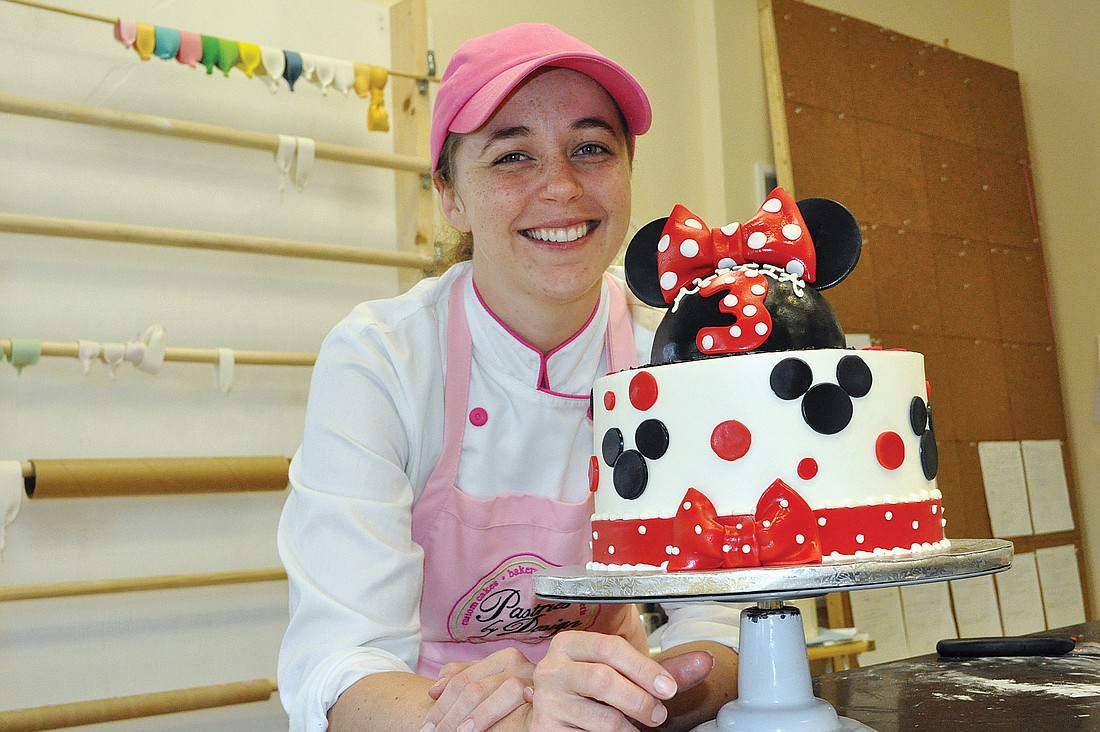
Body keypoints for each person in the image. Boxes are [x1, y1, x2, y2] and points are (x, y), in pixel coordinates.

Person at [277, 22, 741, 732]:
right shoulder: (383, 363)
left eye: (591, 148)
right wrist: (495, 721)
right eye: (512, 156)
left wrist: (631, 699)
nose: (560, 185)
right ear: (450, 196)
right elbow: (341, 666)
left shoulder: (670, 367)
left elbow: (729, 621)